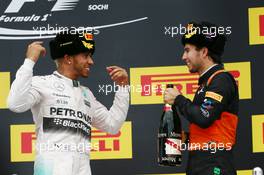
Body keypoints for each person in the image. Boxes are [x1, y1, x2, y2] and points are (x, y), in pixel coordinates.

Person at [7, 31, 130, 175]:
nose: (91, 62)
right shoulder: (42, 83)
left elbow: (113, 125)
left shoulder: (87, 94)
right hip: (50, 169)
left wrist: (123, 87)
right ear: (68, 58)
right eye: (86, 56)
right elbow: (15, 104)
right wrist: (29, 61)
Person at [164, 21, 239, 175]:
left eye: (187, 50)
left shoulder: (221, 79)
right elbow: (209, 128)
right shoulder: (207, 83)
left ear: (204, 52)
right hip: (202, 163)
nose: (183, 56)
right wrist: (183, 138)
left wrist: (178, 99)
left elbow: (204, 117)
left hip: (214, 164)